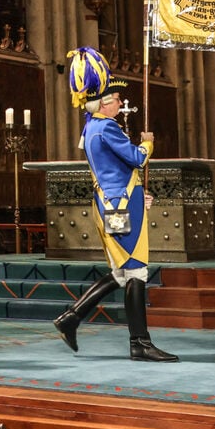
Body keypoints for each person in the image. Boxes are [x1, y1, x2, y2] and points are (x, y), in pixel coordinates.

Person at [54, 47, 178, 362]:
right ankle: (140, 343)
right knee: (135, 271)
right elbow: (137, 158)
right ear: (104, 103)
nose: (121, 103)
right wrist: (148, 142)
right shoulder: (106, 127)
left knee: (124, 273)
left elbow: (115, 169)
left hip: (113, 201)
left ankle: (72, 317)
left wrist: (139, 191)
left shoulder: (90, 127)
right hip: (120, 204)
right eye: (116, 99)